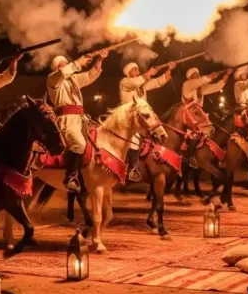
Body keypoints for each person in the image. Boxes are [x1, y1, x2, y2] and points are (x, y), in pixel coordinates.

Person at [48, 51, 107, 192]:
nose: (66, 66)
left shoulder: (73, 79)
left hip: (80, 118)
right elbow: (64, 73)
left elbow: (89, 76)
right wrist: (78, 62)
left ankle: (88, 174)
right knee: (79, 144)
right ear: (57, 67)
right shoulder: (53, 78)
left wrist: (99, 59)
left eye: (66, 64)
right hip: (66, 120)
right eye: (63, 65)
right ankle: (70, 176)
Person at [119, 60, 173, 181]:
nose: (138, 71)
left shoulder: (141, 84)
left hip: (143, 116)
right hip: (129, 116)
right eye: (134, 69)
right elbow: (135, 82)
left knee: (157, 131)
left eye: (138, 69)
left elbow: (157, 82)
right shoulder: (125, 82)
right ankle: (132, 168)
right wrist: (149, 73)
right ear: (128, 73)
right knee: (133, 140)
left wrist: (169, 69)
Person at [180, 67, 232, 167]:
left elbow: (217, 87)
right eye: (195, 74)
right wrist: (210, 77)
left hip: (199, 114)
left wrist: (227, 75)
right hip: (188, 113)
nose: (198, 75)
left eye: (198, 73)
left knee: (213, 128)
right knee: (192, 134)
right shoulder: (187, 84)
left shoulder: (200, 88)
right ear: (190, 77)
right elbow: (200, 81)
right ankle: (190, 158)